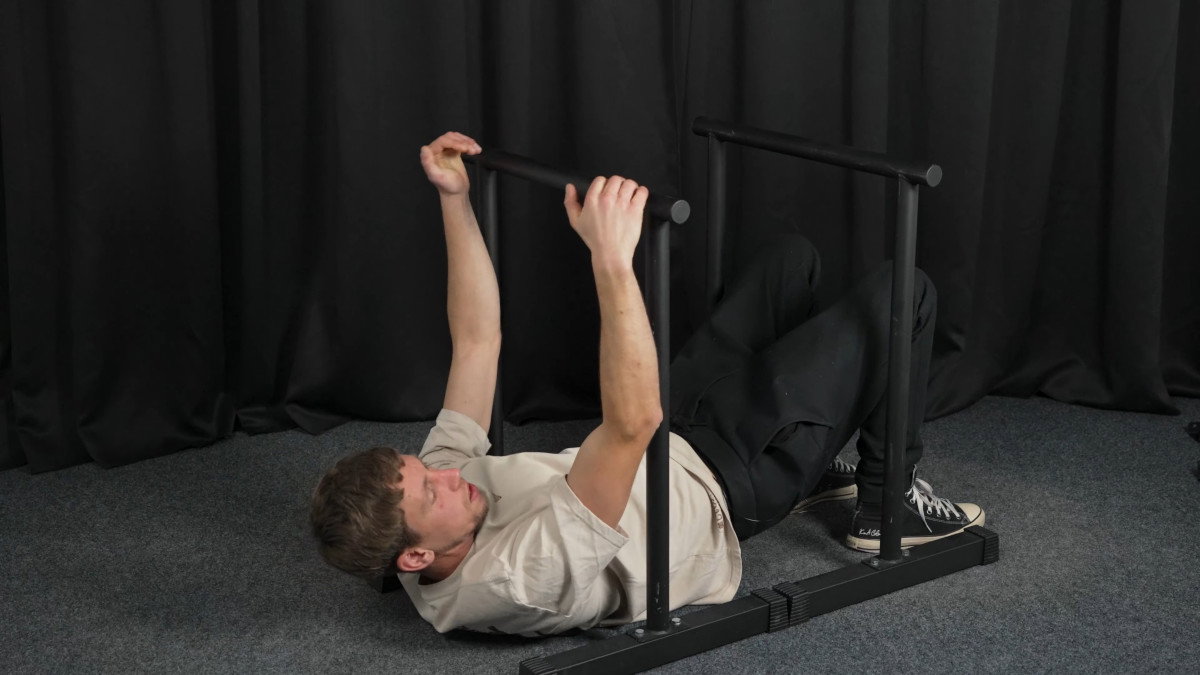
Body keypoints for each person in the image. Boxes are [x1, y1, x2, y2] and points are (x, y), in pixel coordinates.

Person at [309, 131, 985, 636]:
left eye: (424, 468)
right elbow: (628, 425)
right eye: (433, 490)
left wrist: (454, 200)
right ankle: (883, 504)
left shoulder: (422, 506)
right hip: (722, 480)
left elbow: (477, 340)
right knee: (905, 294)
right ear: (418, 555)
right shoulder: (516, 579)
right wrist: (610, 256)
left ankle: (817, 452)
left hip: (666, 436)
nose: (450, 474)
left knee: (791, 261)